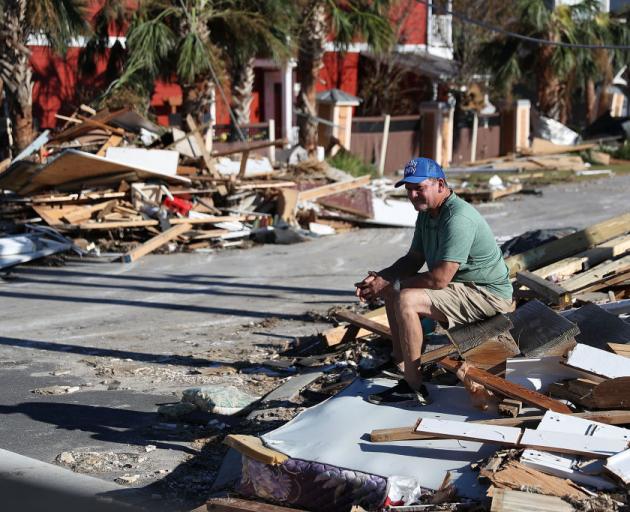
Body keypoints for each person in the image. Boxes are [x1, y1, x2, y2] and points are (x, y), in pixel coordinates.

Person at [355, 157, 514, 406]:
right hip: (461, 288)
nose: (413, 195)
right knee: (393, 289)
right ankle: (400, 361)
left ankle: (413, 385)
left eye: (419, 188)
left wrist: (393, 284)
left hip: (488, 295)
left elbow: (439, 278)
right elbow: (413, 259)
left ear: (440, 184)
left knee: (405, 298)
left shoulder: (458, 217)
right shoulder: (428, 214)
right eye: (409, 189)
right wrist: (382, 278)